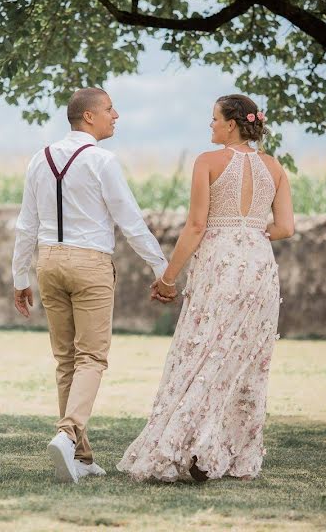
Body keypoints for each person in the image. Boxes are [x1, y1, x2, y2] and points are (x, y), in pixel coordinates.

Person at [117, 93, 295, 483]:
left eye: (214, 119)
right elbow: (285, 227)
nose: (211, 126)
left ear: (232, 123)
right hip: (260, 265)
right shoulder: (274, 167)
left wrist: (168, 278)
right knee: (245, 360)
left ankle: (187, 447)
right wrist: (252, 232)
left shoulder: (208, 162)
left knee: (202, 352)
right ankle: (224, 454)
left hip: (220, 262)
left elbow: (196, 226)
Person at [11, 87, 171, 483]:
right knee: (92, 358)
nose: (116, 115)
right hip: (90, 264)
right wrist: (162, 269)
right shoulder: (102, 161)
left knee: (66, 359)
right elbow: (130, 221)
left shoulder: (39, 158)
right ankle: (67, 434)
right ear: (88, 117)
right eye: (110, 109)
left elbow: (26, 225)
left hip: (48, 262)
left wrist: (19, 277)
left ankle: (81, 457)